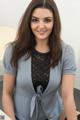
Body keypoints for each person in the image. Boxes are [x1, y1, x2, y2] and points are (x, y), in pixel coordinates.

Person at [2, 0, 77, 120]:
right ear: (28, 21)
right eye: (35, 20)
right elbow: (7, 93)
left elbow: (68, 96)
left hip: (53, 116)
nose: (41, 26)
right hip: (19, 116)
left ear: (54, 22)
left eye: (47, 20)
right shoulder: (12, 50)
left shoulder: (67, 52)